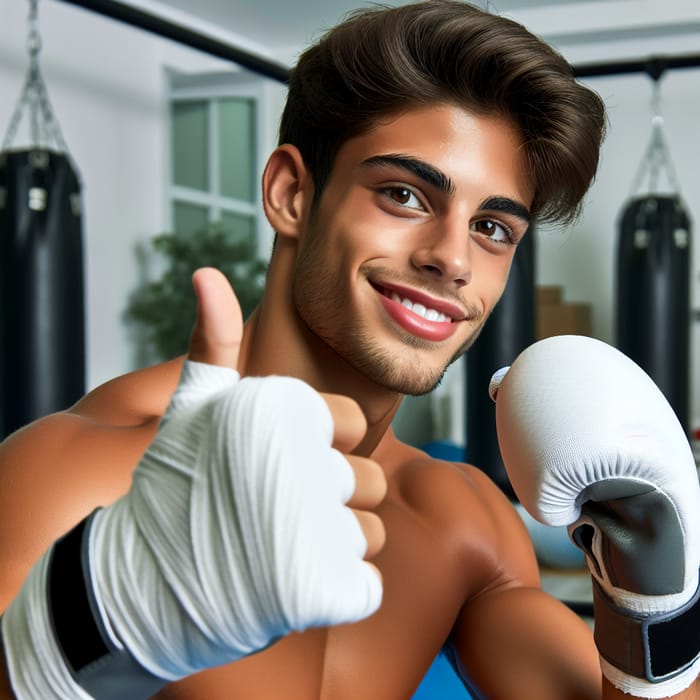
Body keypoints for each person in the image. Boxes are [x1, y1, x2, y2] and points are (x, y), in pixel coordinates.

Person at [1, 1, 699, 698]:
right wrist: (93, 622)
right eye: (403, 194)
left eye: (491, 227)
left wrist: (655, 596)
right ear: (290, 194)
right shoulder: (79, 470)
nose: (452, 259)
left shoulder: (461, 520)